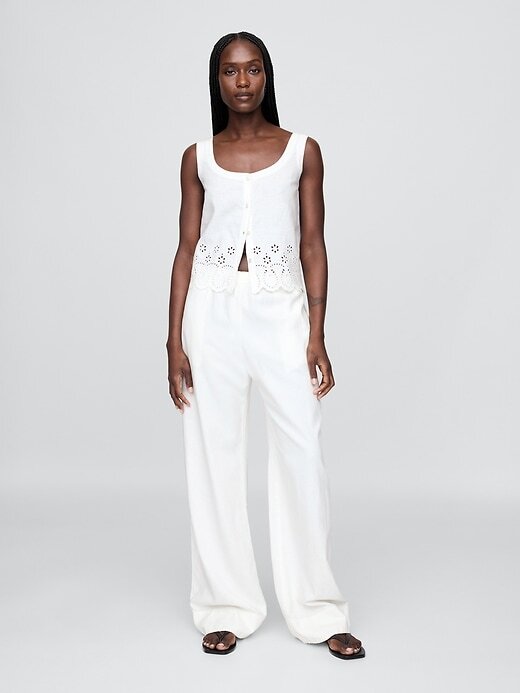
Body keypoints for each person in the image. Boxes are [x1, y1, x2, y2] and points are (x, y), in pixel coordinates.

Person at [166, 31, 365, 660]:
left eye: (253, 69)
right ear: (217, 81)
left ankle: (318, 609)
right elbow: (186, 248)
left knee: (301, 453)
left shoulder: (302, 151)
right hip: (212, 312)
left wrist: (317, 330)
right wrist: (173, 340)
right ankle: (226, 606)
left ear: (266, 75)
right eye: (230, 71)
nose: (243, 81)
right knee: (213, 456)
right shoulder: (198, 156)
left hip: (281, 310)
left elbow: (313, 243)